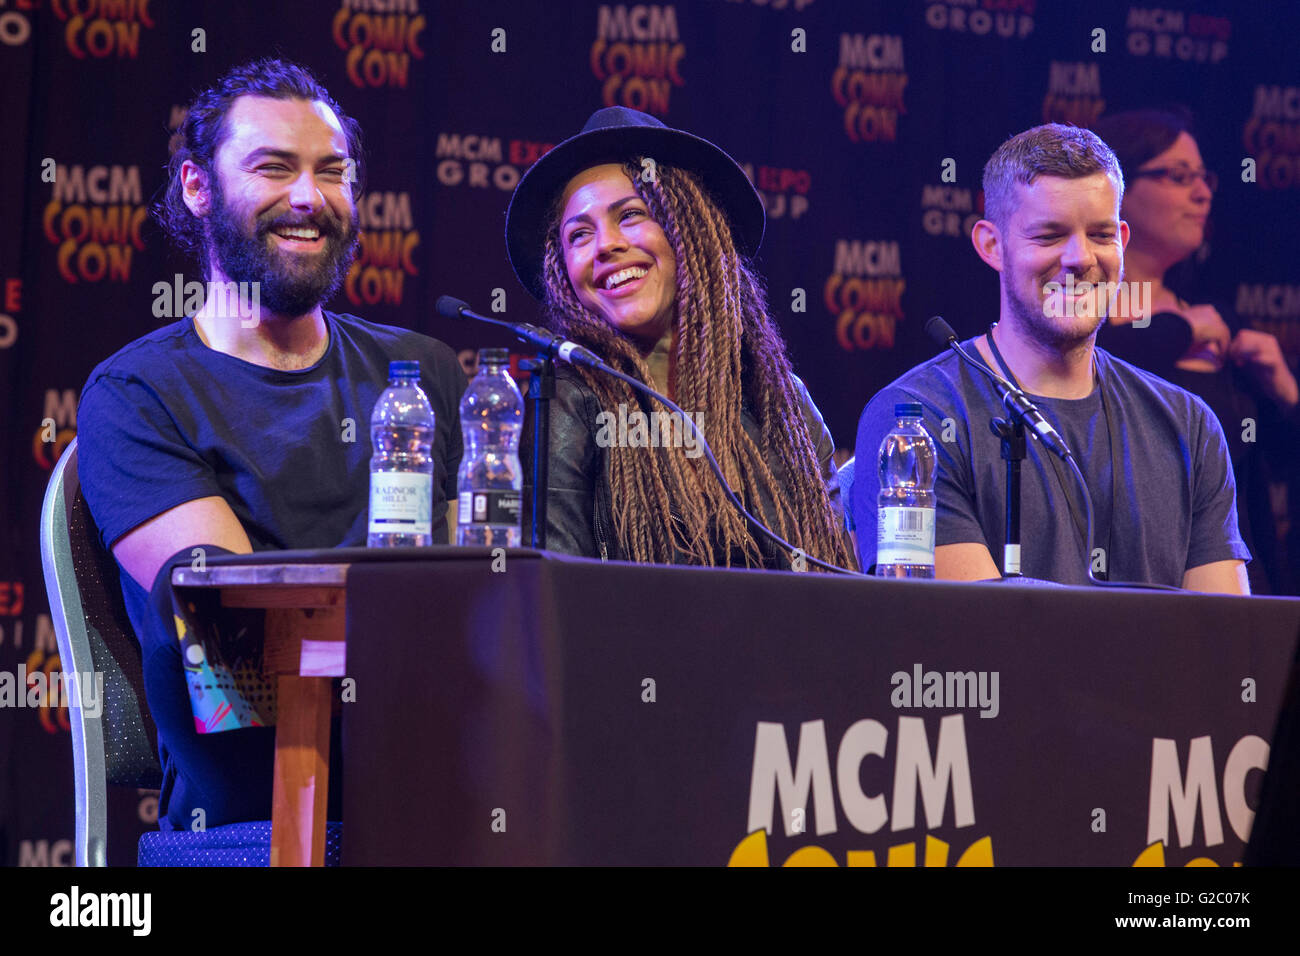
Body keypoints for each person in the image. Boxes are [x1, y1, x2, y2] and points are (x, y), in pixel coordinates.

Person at [76, 59, 466, 830]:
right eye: (273, 168)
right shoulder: (136, 395)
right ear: (196, 187)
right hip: (257, 823)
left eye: (332, 172)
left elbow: (494, 594)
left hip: (448, 798)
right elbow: (243, 639)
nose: (307, 198)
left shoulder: (423, 374)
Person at [852, 123, 1250, 592]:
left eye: (1100, 234)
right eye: (1049, 236)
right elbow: (966, 635)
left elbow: (1222, 641)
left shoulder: (1189, 425)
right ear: (991, 245)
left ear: (1122, 241)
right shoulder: (915, 420)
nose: (1079, 258)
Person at [504, 107, 852, 570]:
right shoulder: (565, 401)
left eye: (630, 215)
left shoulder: (781, 402)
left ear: (692, 230)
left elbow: (834, 587)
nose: (605, 245)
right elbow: (553, 600)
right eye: (579, 234)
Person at [1092, 108, 1300, 594]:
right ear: (1116, 187)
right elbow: (1114, 354)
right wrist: (1179, 329)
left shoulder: (1223, 325)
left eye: (1203, 178)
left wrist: (1287, 393)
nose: (1202, 193)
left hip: (1238, 583)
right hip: (1129, 585)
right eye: (1177, 177)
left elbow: (1276, 459)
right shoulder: (1082, 314)